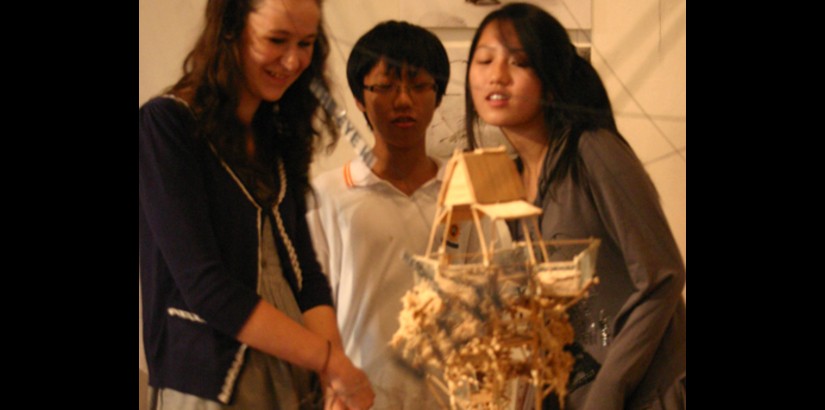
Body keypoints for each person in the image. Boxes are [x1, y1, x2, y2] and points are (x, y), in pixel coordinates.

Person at [138, 0, 375, 408]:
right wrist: (328, 359)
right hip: (210, 382)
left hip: (292, 369)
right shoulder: (167, 125)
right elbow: (204, 286)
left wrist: (330, 371)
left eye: (306, 43)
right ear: (230, 30)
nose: (293, 60)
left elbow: (305, 274)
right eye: (276, 40)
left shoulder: (279, 136)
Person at [464, 3, 686, 409]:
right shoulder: (510, 177)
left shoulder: (592, 150)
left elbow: (663, 275)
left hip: (642, 392)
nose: (496, 74)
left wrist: (610, 388)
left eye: (519, 62)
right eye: (484, 60)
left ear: (551, 80)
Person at [306, 21, 460, 409]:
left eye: (419, 85)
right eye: (386, 86)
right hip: (359, 399)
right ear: (360, 98)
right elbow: (307, 306)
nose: (403, 100)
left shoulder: (466, 192)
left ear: (438, 96)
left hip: (454, 400)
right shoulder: (327, 194)